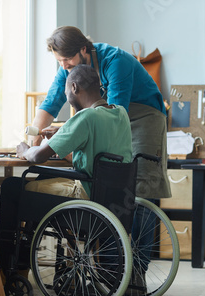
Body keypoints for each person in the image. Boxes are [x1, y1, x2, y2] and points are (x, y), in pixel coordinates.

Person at [0, 64, 132, 283]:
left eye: (66, 91)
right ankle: (13, 265)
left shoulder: (85, 117)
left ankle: (5, 266)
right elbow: (97, 136)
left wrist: (23, 149)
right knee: (42, 179)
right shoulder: (120, 113)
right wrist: (64, 131)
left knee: (13, 186)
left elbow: (38, 156)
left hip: (86, 195)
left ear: (75, 87)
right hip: (112, 198)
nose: (67, 96)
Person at [32, 25, 171, 201]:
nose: (64, 66)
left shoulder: (116, 61)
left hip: (145, 116)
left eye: (67, 59)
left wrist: (67, 136)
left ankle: (140, 228)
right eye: (59, 61)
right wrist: (34, 139)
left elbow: (114, 118)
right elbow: (50, 103)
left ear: (83, 49)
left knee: (141, 184)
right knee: (111, 178)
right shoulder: (67, 68)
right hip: (113, 116)